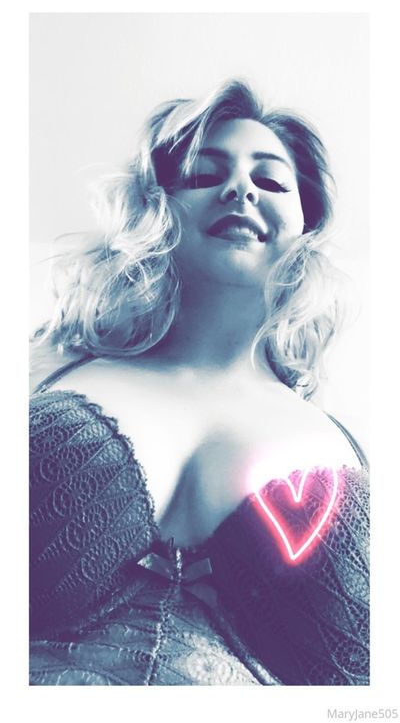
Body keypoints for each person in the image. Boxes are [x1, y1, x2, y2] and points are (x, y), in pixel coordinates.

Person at [29, 79, 369, 686]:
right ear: (157, 208)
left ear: (306, 225)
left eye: (271, 180)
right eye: (204, 174)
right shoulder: (45, 365)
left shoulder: (343, 443)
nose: (240, 189)